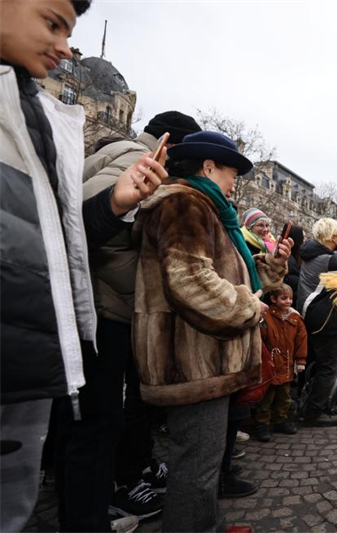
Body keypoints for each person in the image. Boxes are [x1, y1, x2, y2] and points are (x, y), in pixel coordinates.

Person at [1, 2, 166, 531]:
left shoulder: (39, 116)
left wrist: (115, 204)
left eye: (70, 32)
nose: (66, 48)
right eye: (53, 23)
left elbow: (63, 240)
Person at [132, 131, 291, 532]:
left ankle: (211, 524)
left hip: (204, 355)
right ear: (208, 167)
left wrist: (269, 268)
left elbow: (234, 277)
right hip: (192, 359)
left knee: (205, 458)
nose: (235, 181)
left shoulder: (211, 209)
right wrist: (249, 308)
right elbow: (190, 281)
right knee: (196, 464)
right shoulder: (186, 203)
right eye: (231, 171)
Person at [74, 111, 201, 523]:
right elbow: (80, 221)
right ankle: (104, 498)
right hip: (106, 306)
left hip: (111, 303)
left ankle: (122, 480)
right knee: (103, 415)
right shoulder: (134, 156)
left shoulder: (135, 157)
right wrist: (143, 280)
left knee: (113, 412)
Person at [296, 218, 337, 427]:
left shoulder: (310, 254)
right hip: (324, 320)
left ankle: (311, 405)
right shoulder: (329, 259)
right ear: (333, 236)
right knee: (329, 367)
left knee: (318, 365)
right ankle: (313, 413)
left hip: (310, 316)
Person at [253, 284, 307, 441]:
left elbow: (301, 340)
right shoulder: (266, 316)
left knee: (284, 396)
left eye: (290, 298)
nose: (288, 301)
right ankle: (262, 424)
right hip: (270, 365)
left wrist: (301, 360)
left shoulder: (295, 319)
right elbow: (260, 338)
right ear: (273, 299)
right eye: (284, 298)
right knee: (266, 397)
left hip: (287, 364)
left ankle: (280, 420)